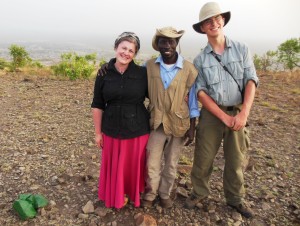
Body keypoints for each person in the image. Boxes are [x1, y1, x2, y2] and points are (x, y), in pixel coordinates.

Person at [184, 2, 259, 218]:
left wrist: (243, 113)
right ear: (202, 28)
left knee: (236, 159)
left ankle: (235, 199)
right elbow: (201, 93)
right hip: (212, 115)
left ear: (223, 20)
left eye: (216, 18)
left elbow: (251, 81)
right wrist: (223, 117)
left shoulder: (242, 49)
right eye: (208, 21)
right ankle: (198, 192)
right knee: (203, 157)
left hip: (238, 111)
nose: (213, 23)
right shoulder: (200, 59)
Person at [140, 27, 199, 209]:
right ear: (157, 45)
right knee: (151, 162)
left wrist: (192, 127)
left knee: (171, 163)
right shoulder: (148, 66)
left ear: (176, 44)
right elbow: (137, 90)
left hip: (179, 124)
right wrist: (109, 66)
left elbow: (193, 101)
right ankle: (150, 194)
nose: (167, 45)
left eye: (171, 41)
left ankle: (165, 194)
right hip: (156, 123)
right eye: (162, 41)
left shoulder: (189, 69)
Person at [91, 32, 150, 209]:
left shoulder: (142, 73)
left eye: (131, 50)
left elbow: (156, 96)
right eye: (124, 48)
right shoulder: (103, 73)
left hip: (137, 130)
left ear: (135, 54)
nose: (126, 53)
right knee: (115, 165)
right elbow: (97, 104)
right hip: (111, 129)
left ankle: (133, 194)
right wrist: (97, 133)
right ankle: (116, 195)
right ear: (116, 48)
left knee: (133, 165)